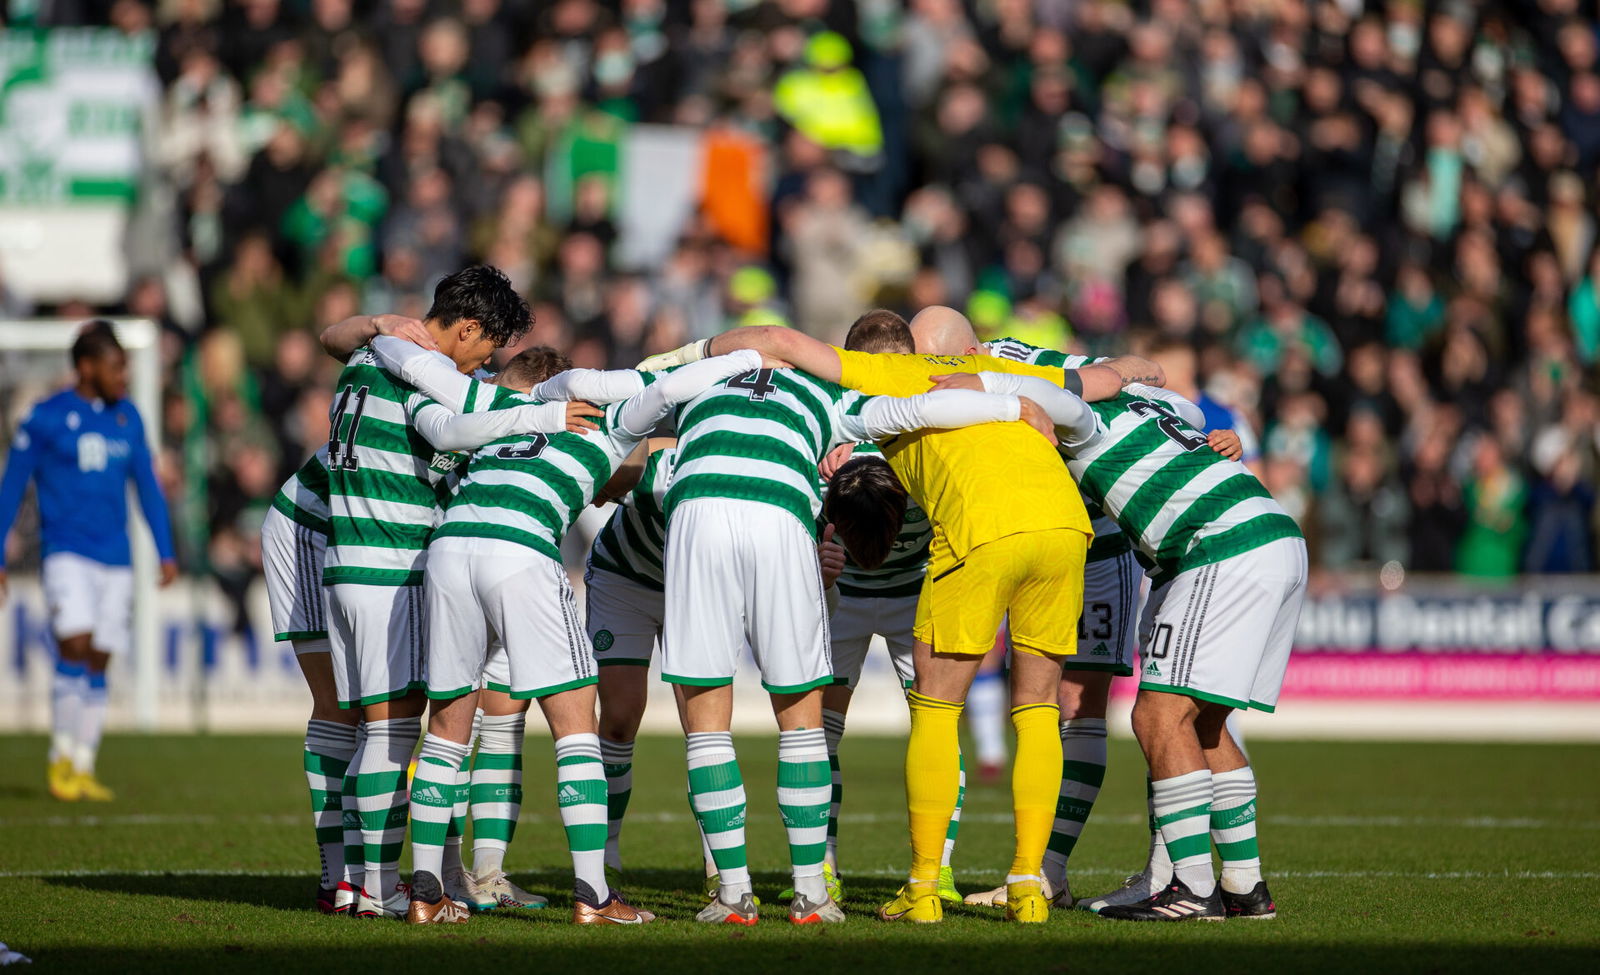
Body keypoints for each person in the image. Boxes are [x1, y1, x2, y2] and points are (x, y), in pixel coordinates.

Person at [641, 307, 1162, 924]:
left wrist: (672, 360)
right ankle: (1028, 884)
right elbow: (1094, 386)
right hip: (1060, 530)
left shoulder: (881, 380)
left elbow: (779, 341)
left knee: (934, 712)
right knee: (1039, 708)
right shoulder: (1002, 367)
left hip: (970, 539)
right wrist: (1085, 389)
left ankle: (920, 886)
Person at [381, 335, 765, 925]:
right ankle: (594, 896)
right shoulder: (606, 425)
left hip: (449, 550)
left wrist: (375, 332)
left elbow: (409, 363)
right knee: (575, 725)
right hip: (521, 550)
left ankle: (428, 895)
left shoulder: (495, 412)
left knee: (448, 727)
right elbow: (663, 389)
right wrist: (743, 360)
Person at [954, 369, 1306, 921]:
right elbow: (1180, 403)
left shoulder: (1085, 419)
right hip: (1270, 532)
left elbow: (1050, 393)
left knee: (1157, 718)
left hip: (1218, 544)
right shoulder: (1152, 404)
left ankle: (1190, 890)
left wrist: (961, 380)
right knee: (1205, 722)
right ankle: (1244, 885)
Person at [314, 267, 601, 919]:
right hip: (390, 560)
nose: (486, 365)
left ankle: (365, 880)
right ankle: (383, 886)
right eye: (486, 349)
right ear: (467, 328)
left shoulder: (369, 353)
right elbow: (454, 427)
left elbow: (334, 335)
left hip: (346, 558)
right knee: (393, 733)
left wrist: (371, 322)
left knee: (376, 730)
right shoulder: (417, 366)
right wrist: (547, 415)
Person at [0, 320, 178, 803]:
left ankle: (83, 762)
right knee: (74, 643)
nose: (124, 375)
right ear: (85, 367)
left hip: (116, 558)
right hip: (65, 552)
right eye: (115, 366)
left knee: (100, 654)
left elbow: (147, 487)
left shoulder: (128, 418)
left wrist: (165, 550)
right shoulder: (46, 417)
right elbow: (12, 485)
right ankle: (60, 756)